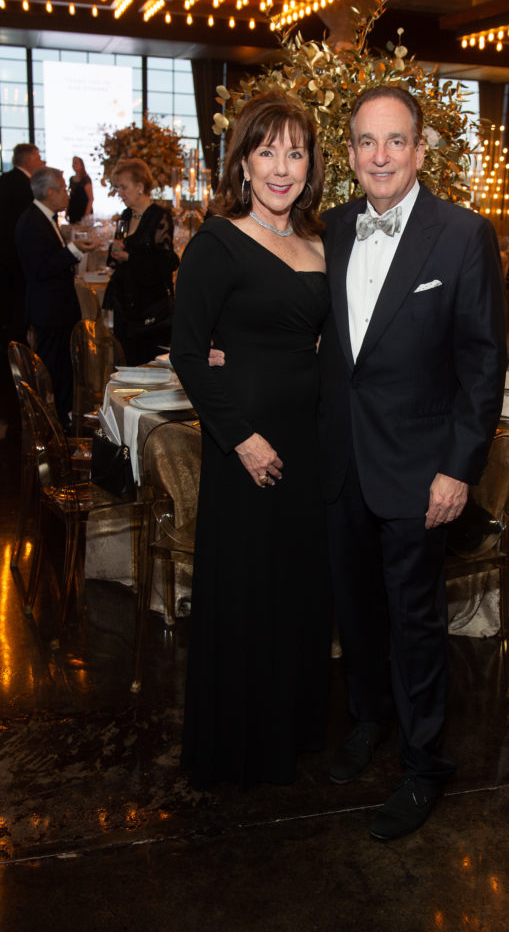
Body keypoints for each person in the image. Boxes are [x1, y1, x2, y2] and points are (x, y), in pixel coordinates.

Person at [318, 87, 507, 841]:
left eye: (395, 140)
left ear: (420, 151)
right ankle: (369, 719)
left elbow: (483, 365)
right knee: (355, 611)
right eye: (366, 141)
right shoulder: (333, 228)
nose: (381, 155)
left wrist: (458, 469)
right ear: (350, 154)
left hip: (420, 471)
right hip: (342, 464)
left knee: (416, 621)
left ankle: (425, 764)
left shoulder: (462, 234)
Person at [170, 90, 331, 790]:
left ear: (311, 165)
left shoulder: (322, 242)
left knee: (297, 588)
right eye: (268, 152)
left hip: (310, 443)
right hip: (246, 449)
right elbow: (186, 353)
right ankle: (239, 744)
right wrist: (241, 438)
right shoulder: (216, 241)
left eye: (295, 153)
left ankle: (291, 729)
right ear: (243, 161)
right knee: (248, 589)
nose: (282, 168)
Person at [15, 166, 94, 428]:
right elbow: (42, 268)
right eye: (63, 190)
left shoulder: (44, 217)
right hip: (48, 309)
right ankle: (54, 426)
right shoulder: (31, 221)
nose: (68, 195)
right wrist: (73, 250)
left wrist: (73, 249)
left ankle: (63, 418)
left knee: (62, 368)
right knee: (52, 370)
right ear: (50, 192)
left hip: (57, 308)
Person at [102, 158, 178, 365]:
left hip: (149, 305)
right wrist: (115, 251)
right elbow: (115, 258)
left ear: (140, 186)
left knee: (147, 363)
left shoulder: (159, 216)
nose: (120, 193)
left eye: (124, 187)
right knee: (124, 362)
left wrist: (130, 257)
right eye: (118, 187)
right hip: (125, 303)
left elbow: (166, 262)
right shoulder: (126, 216)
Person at [0, 142, 44, 346]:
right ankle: (18, 351)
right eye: (38, 158)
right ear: (29, 160)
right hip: (16, 256)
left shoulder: (4, 179)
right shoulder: (25, 186)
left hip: (5, 254)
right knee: (17, 308)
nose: (41, 162)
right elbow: (29, 227)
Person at [67, 156, 94, 223]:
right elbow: (70, 195)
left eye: (76, 163)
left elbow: (91, 199)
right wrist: (66, 212)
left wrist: (86, 215)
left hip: (83, 211)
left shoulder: (86, 180)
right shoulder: (71, 179)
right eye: (73, 163)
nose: (74, 165)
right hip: (73, 211)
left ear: (81, 165)